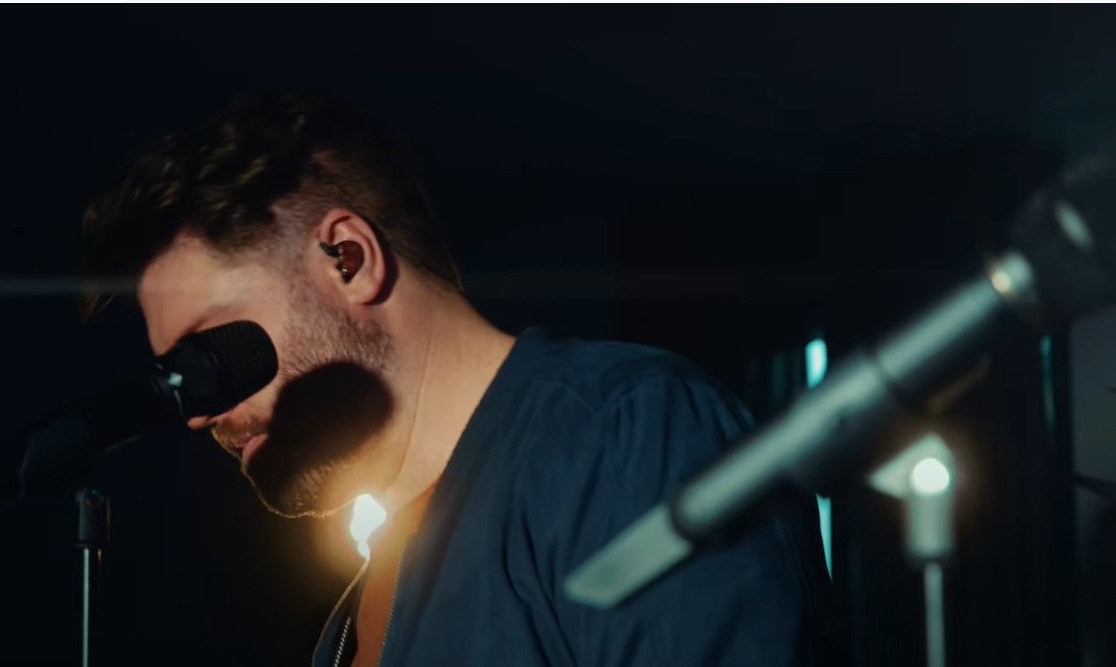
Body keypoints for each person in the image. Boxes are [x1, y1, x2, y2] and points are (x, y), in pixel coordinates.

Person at [81, 93, 837, 666]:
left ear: (349, 260)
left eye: (207, 351)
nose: (195, 410)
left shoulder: (623, 429)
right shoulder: (360, 603)